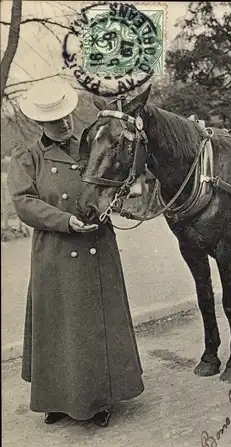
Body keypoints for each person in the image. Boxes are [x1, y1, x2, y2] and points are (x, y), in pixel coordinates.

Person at [7, 77, 144, 427]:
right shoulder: (28, 156)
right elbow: (24, 203)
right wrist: (64, 221)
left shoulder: (91, 145)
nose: (64, 124)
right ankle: (57, 399)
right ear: (41, 123)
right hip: (55, 248)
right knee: (58, 324)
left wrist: (112, 203)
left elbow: (113, 177)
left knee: (97, 324)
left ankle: (101, 401)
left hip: (97, 243)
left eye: (66, 117)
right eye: (55, 121)